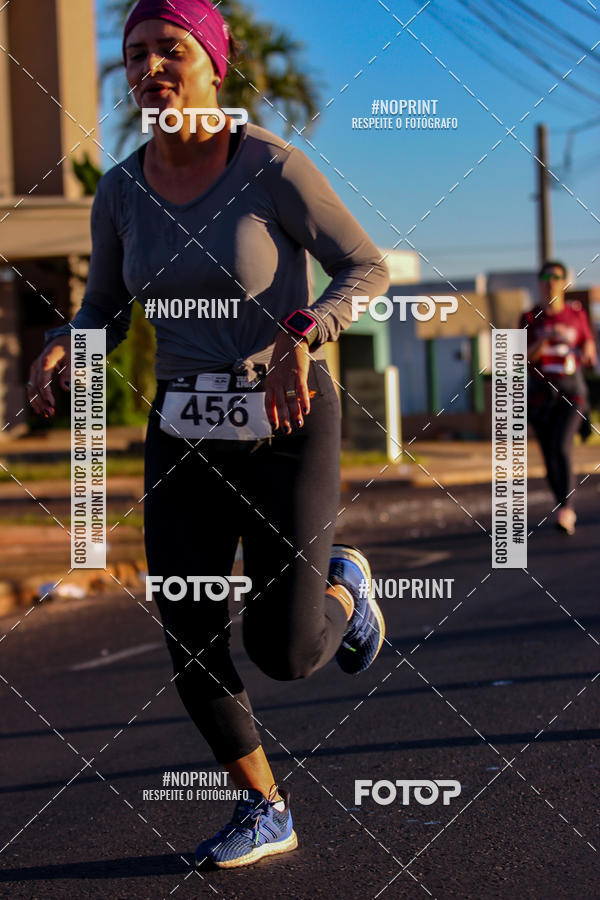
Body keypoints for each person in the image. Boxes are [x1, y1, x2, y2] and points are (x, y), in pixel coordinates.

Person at [26, 0, 390, 869]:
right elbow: (106, 308)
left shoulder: (269, 165)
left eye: (172, 49)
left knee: (287, 651)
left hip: (288, 418)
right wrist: (64, 348)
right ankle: (264, 806)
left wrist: (301, 336)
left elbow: (364, 266)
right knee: (187, 629)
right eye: (137, 52)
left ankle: (345, 590)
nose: (152, 66)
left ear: (212, 64)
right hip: (184, 425)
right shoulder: (119, 191)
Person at [520, 260, 597, 535]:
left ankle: (567, 509)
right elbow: (522, 357)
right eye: (545, 276)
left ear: (564, 282)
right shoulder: (530, 318)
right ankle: (561, 503)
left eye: (556, 276)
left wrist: (587, 348)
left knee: (562, 446)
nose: (550, 281)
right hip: (542, 396)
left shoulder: (576, 316)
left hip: (572, 393)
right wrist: (545, 340)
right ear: (540, 282)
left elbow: (588, 348)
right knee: (549, 456)